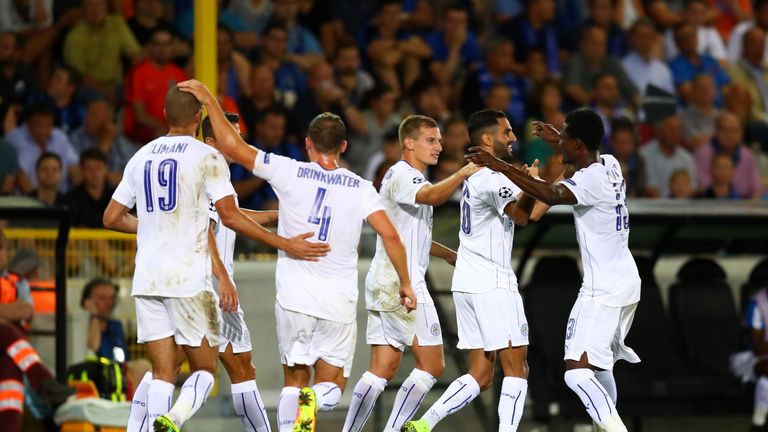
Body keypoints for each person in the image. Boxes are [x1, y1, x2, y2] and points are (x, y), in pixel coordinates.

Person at [178, 79, 416, 432]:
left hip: (293, 296)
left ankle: (299, 409)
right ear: (344, 146)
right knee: (332, 384)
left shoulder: (288, 170)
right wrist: (406, 283)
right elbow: (391, 235)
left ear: (307, 143)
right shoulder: (362, 188)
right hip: (337, 298)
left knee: (294, 378)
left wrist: (208, 99)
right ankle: (315, 401)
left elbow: (232, 144)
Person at [103, 85, 329, 432]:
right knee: (215, 371)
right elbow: (224, 219)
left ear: (165, 114)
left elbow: (112, 217)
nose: (235, 144)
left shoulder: (141, 156)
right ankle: (178, 421)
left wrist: (157, 229)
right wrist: (281, 243)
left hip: (148, 277)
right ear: (200, 120)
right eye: (230, 135)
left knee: (166, 372)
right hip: (199, 281)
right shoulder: (206, 161)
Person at [464, 108, 641, 432]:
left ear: (576, 145)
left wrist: (500, 166)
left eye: (564, 140)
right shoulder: (611, 164)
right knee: (599, 369)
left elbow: (550, 193)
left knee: (576, 371)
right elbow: (551, 191)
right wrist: (560, 139)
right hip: (625, 280)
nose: (558, 146)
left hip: (603, 288)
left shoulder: (589, 180)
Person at [401, 109, 548, 432]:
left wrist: (546, 185)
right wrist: (531, 186)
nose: (512, 138)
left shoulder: (479, 176)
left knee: (481, 375)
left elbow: (532, 210)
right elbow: (521, 217)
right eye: (506, 132)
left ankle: (424, 424)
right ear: (487, 138)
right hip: (492, 282)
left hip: (468, 280)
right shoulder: (493, 178)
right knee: (517, 368)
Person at [342, 115, 478, 432]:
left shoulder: (405, 177)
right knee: (432, 365)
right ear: (409, 143)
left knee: (383, 368)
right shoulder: (404, 176)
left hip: (383, 279)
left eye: (440, 141)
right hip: (401, 282)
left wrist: (447, 254)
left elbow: (410, 235)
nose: (439, 146)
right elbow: (432, 196)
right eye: (431, 140)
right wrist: (464, 172)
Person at [0, 228, 75, 432]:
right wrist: (7, 313)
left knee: (10, 364)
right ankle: (43, 381)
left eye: (1, 248)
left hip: (8, 351)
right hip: (13, 343)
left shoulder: (16, 281)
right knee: (6, 330)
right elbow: (16, 312)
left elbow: (25, 311)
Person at [81, 278, 128, 361]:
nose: (109, 303)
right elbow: (93, 347)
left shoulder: (115, 326)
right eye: (102, 298)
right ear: (87, 302)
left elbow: (124, 360)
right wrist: (94, 316)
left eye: (112, 298)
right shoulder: (80, 326)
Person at [66, 149, 114, 228]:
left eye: (98, 168)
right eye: (89, 168)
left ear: (106, 169)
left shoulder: (117, 195)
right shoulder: (72, 197)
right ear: (82, 171)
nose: (94, 173)